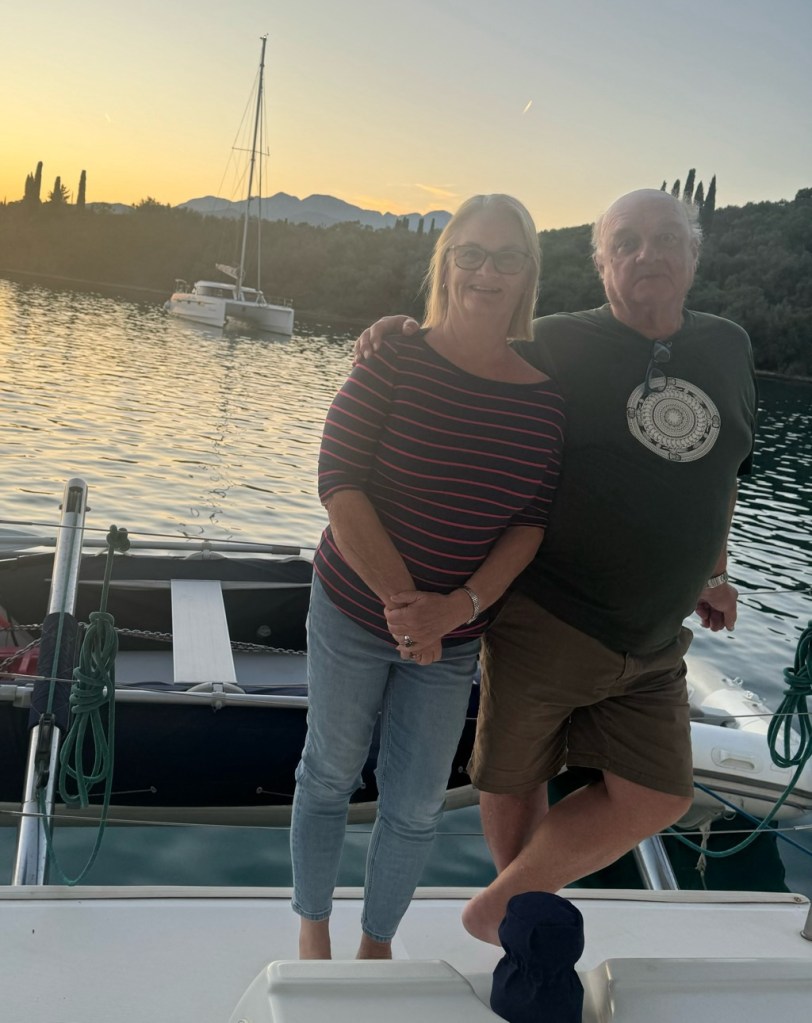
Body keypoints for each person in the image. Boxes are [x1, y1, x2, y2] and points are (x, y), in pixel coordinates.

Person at [356, 187, 758, 945]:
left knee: (661, 793)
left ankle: (498, 910)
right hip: (549, 618)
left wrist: (715, 571)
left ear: (694, 253)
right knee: (513, 779)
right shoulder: (556, 341)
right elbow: (463, 349)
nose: (647, 254)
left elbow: (725, 472)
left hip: (656, 638)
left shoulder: (730, 345)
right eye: (626, 242)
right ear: (601, 260)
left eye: (666, 239)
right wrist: (400, 333)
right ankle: (521, 936)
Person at [290, 194, 566, 960]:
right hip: (353, 610)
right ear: (446, 264)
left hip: (452, 637)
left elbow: (530, 524)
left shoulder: (545, 401)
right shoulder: (395, 358)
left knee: (414, 805)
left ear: (527, 274)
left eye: (506, 257)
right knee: (329, 773)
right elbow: (338, 479)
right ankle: (314, 929)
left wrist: (454, 609)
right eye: (470, 253)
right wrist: (405, 606)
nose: (487, 272)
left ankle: (375, 944)